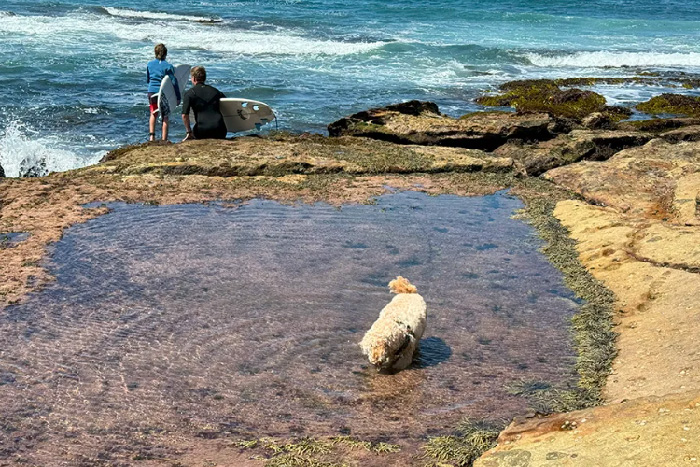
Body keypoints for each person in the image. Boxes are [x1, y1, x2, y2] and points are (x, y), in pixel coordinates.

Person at [181, 66, 227, 141]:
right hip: (220, 130)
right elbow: (226, 104)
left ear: (194, 79)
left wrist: (189, 132)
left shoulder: (189, 94)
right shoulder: (215, 91)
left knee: (195, 130)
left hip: (202, 132)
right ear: (204, 78)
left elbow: (184, 115)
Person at [146, 43, 180, 142]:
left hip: (151, 91)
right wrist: (178, 97)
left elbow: (148, 79)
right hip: (163, 93)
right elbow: (174, 82)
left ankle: (152, 137)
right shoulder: (168, 66)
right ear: (166, 54)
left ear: (155, 53)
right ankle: (164, 139)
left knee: (153, 113)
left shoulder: (149, 64)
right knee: (165, 116)